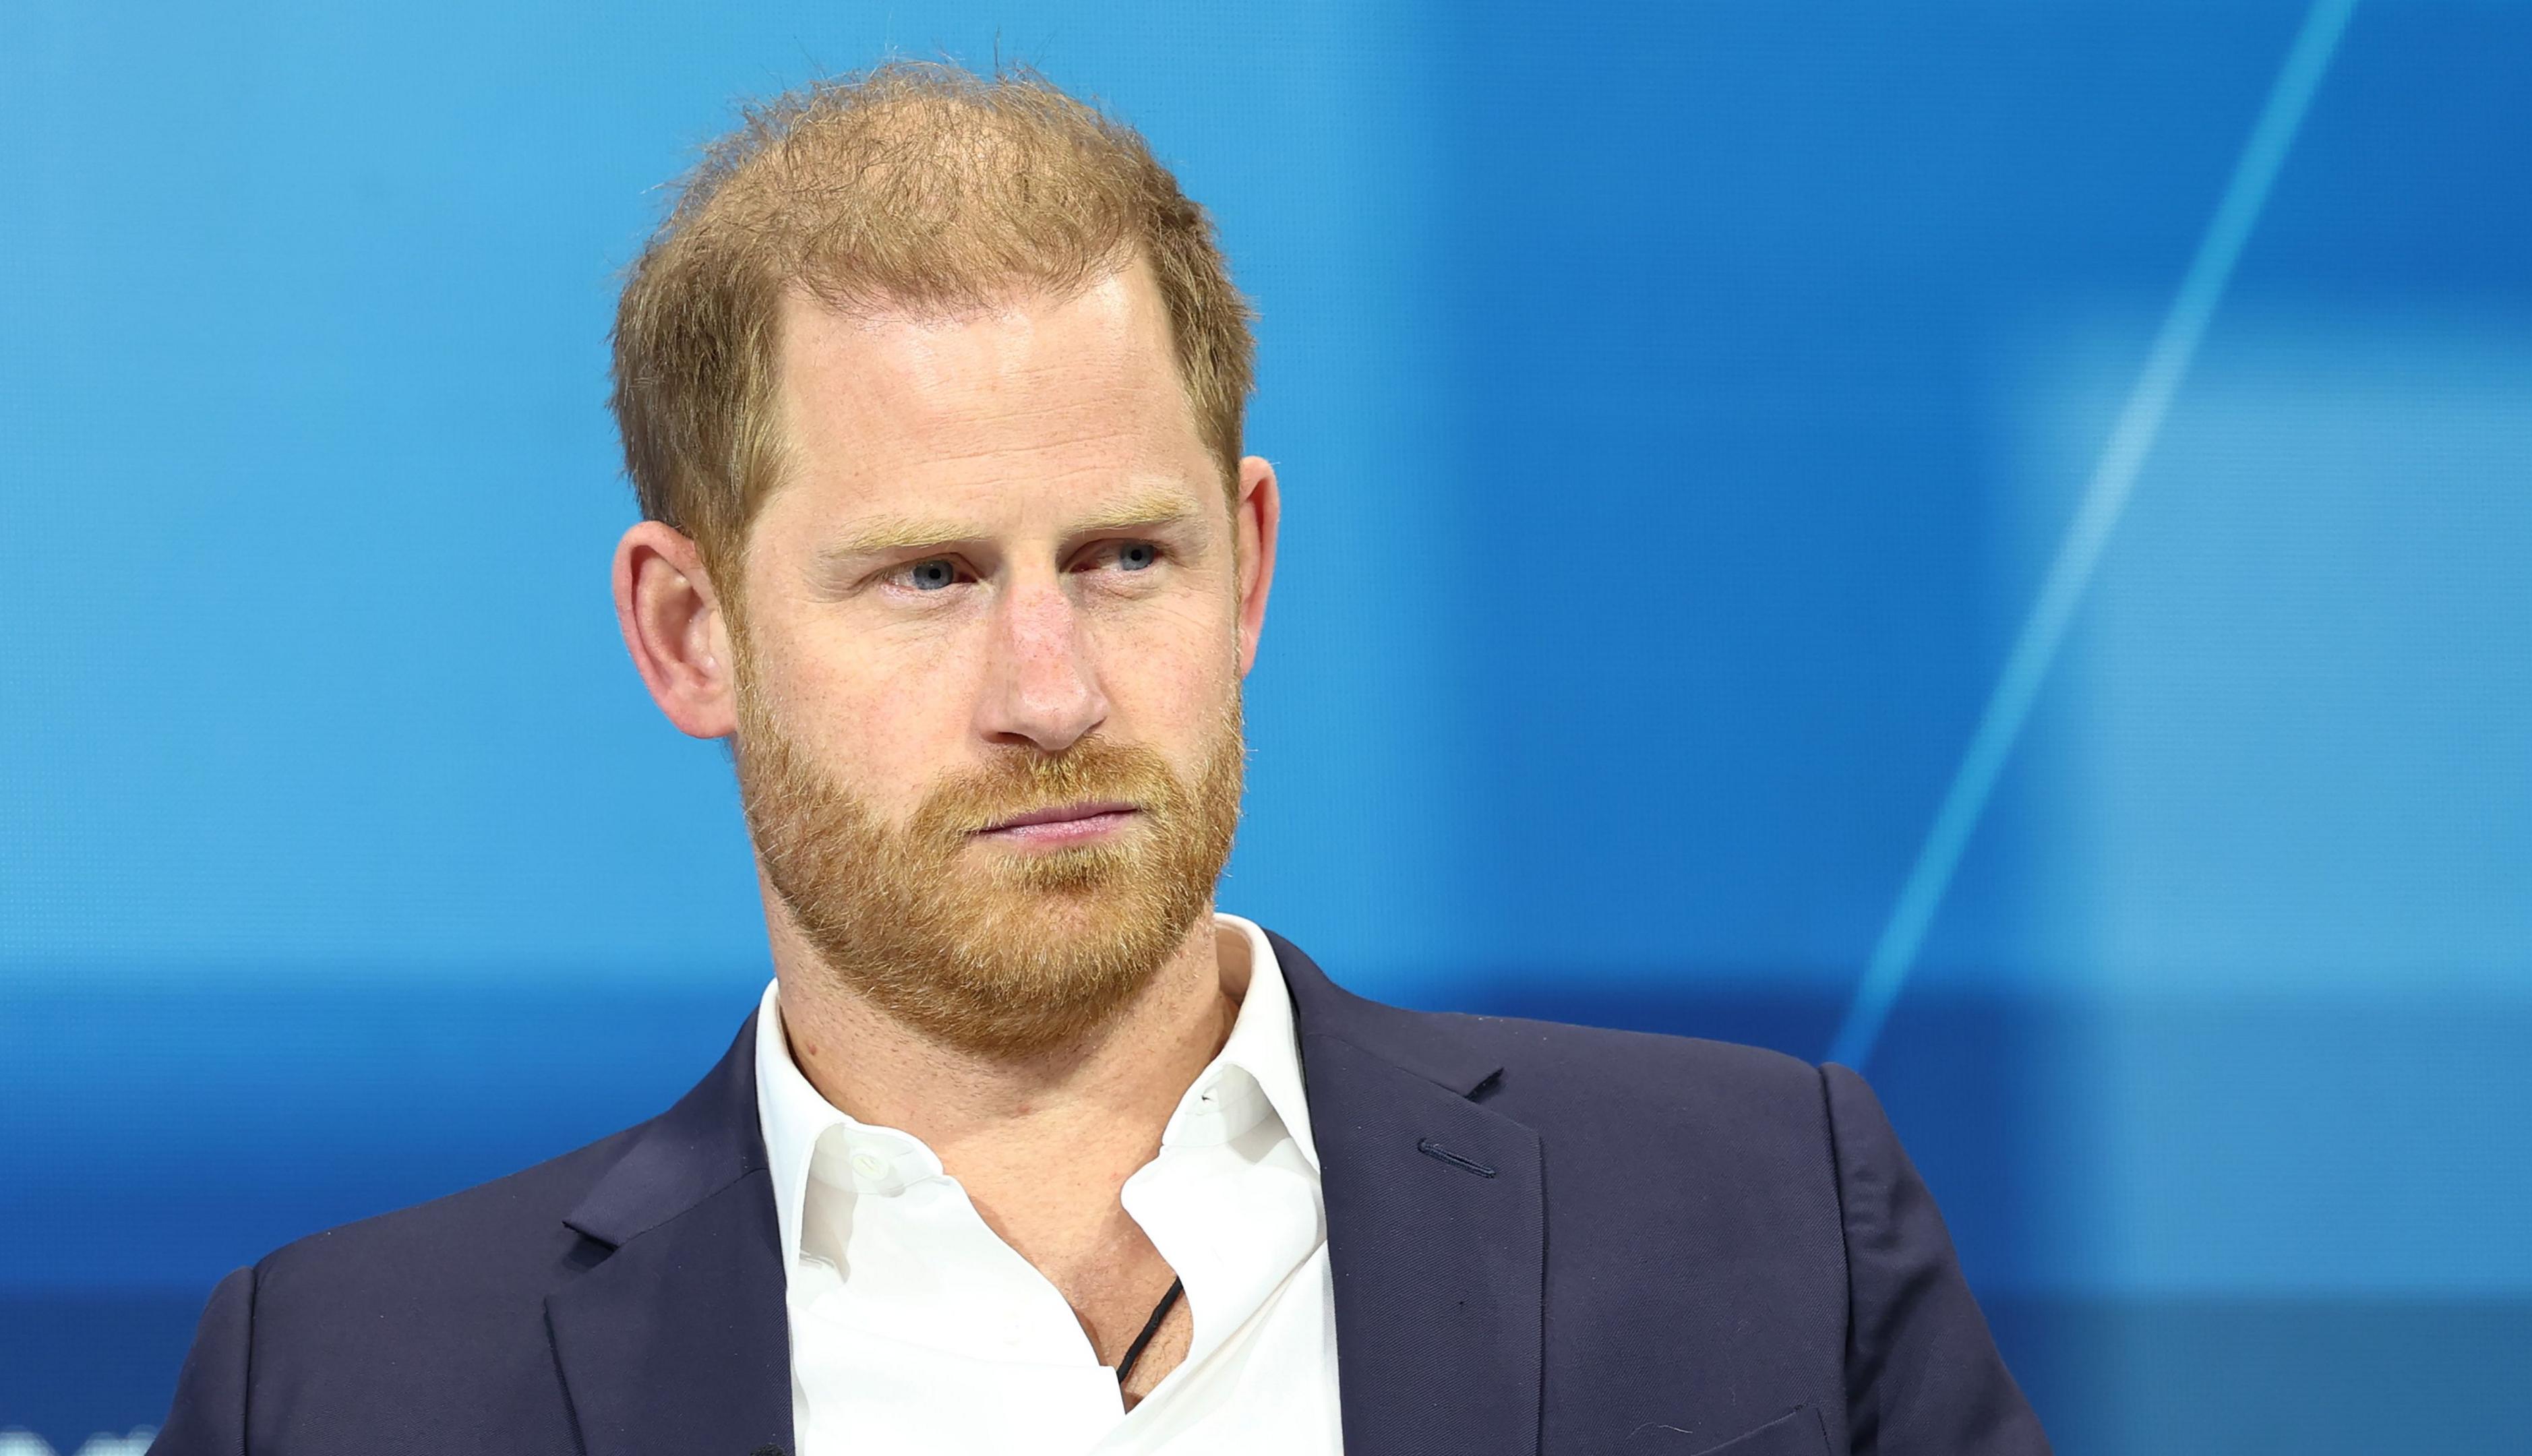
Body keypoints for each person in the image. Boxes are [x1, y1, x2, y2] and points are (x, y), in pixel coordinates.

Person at [149, 61, 2047, 1456]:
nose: (1049, 689)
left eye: (1126, 559)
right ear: (689, 633)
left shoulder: (1765, 1222)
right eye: (928, 576)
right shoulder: (347, 1388)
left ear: (1252, 571)